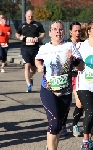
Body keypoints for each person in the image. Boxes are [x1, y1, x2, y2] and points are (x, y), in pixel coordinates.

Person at [35, 21, 84, 150]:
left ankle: (50, 146)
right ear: (50, 32)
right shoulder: (44, 48)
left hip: (65, 92)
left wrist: (72, 60)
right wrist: (39, 66)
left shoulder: (70, 46)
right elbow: (37, 59)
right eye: (55, 29)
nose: (58, 31)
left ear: (64, 31)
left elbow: (81, 66)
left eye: (60, 29)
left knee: (59, 126)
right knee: (54, 122)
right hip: (48, 89)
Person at [61, 22, 86, 136]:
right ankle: (63, 124)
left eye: (79, 31)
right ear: (70, 31)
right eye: (75, 31)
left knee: (80, 103)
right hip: (66, 76)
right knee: (66, 103)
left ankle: (75, 125)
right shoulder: (65, 44)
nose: (77, 33)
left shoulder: (84, 44)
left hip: (78, 77)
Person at [15, 10, 45, 92]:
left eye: (31, 16)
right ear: (25, 16)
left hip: (35, 49)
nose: (30, 18)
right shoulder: (22, 25)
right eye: (28, 16)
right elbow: (17, 34)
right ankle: (28, 85)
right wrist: (19, 37)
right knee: (27, 65)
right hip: (25, 48)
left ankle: (30, 77)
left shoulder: (37, 24)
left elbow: (43, 33)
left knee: (34, 69)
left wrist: (38, 38)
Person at [76, 21, 93, 150]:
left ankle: (90, 138)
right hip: (84, 85)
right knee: (90, 112)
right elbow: (74, 64)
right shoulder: (81, 46)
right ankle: (85, 140)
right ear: (88, 31)